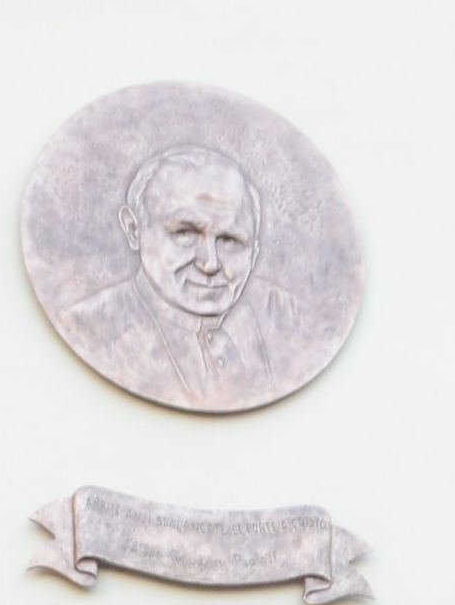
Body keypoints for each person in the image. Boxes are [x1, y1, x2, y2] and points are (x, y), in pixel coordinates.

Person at [60, 144, 298, 409]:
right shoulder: (87, 328)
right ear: (134, 230)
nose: (210, 263)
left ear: (254, 253)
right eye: (184, 233)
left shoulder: (288, 317)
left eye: (230, 240)